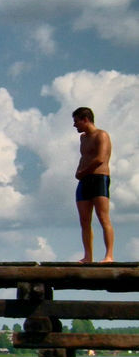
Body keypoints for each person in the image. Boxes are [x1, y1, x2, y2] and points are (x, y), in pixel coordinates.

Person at [73, 107, 114, 263]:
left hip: (98, 178)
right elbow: (84, 157)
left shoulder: (101, 135)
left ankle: (109, 255)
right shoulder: (83, 138)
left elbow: (100, 158)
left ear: (85, 119)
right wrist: (79, 172)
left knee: (103, 217)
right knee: (84, 220)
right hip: (84, 181)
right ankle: (88, 256)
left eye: (76, 121)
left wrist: (83, 171)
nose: (74, 125)